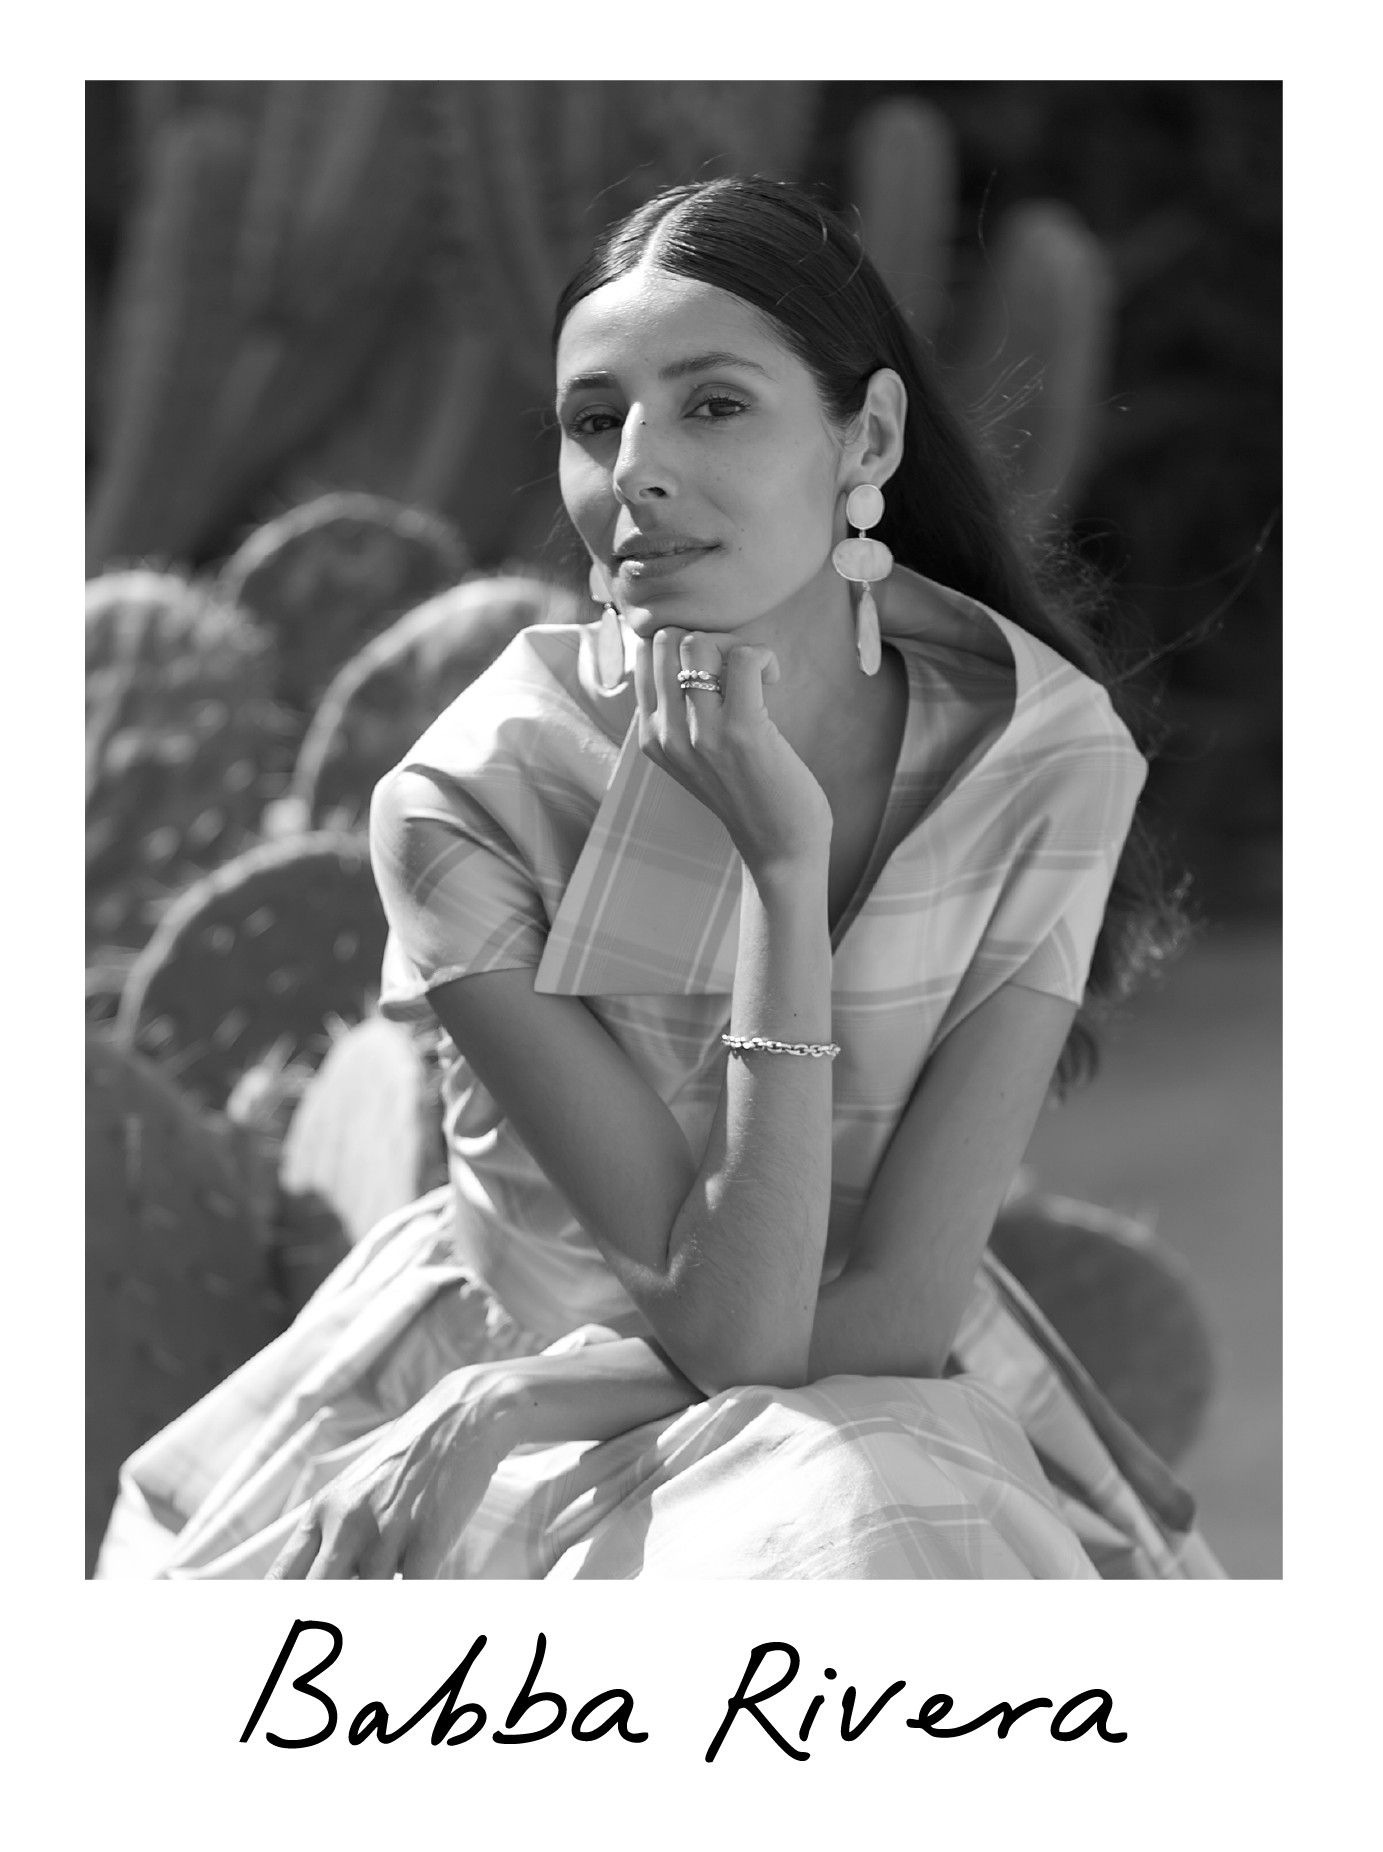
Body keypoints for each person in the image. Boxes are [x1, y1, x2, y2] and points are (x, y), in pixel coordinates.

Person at [97, 177, 1222, 1581]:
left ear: (865, 434)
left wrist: (523, 1400)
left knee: (873, 1505)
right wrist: (778, 871)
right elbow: (730, 1328)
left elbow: (892, 1309)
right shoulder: (468, 799)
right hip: (544, 1376)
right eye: (592, 420)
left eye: (712, 404)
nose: (633, 465)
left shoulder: (1044, 756)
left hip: (845, 1369)